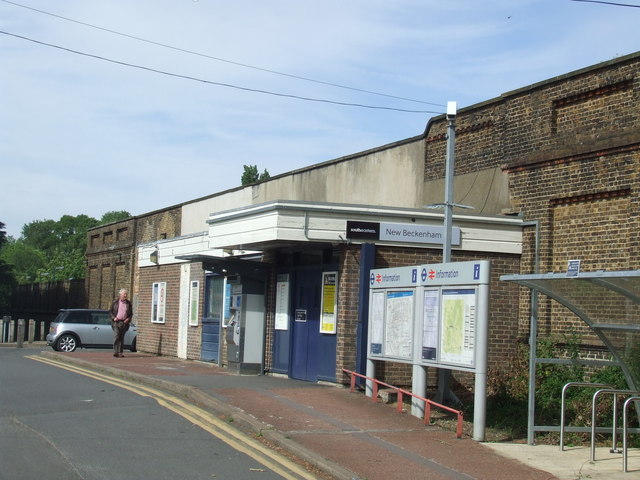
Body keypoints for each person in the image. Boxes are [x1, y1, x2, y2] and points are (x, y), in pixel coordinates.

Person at [109, 288, 133, 357]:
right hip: (116, 322)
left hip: (124, 322)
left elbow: (131, 313)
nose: (125, 295)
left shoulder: (128, 303)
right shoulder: (115, 302)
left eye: (126, 294)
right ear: (120, 295)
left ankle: (120, 352)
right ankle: (116, 351)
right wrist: (114, 318)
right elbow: (110, 312)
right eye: (124, 294)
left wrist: (128, 319)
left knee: (121, 338)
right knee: (116, 336)